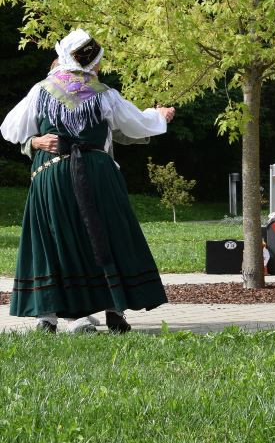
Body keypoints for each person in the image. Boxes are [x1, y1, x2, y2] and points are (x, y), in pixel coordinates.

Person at [0, 29, 175, 333]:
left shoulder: (41, 90)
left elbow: (10, 128)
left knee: (57, 237)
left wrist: (36, 140)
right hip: (96, 172)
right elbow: (136, 124)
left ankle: (51, 314)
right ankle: (110, 309)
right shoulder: (104, 93)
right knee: (108, 236)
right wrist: (159, 116)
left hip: (53, 174)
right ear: (91, 61)